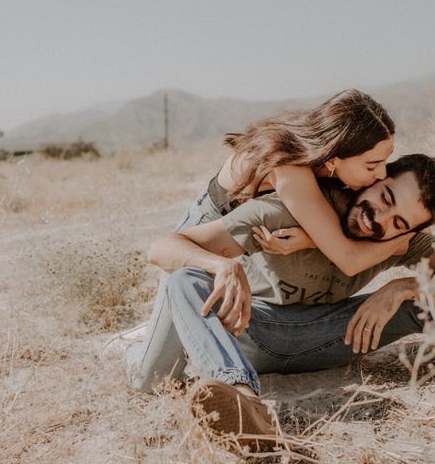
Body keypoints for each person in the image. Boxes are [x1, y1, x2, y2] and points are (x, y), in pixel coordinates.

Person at [146, 153, 435, 450]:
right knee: (185, 278)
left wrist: (403, 287)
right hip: (247, 329)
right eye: (383, 199)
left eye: (397, 222)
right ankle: (247, 407)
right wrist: (223, 267)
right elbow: (165, 247)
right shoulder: (285, 212)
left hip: (333, 334)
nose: (378, 218)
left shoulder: (400, 241)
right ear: (376, 180)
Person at [120, 89, 414, 392]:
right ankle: (134, 345)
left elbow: (329, 228)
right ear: (335, 156)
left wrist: (311, 240)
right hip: (206, 234)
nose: (381, 175)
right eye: (371, 165)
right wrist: (404, 238)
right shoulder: (288, 166)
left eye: (385, 162)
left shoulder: (323, 164)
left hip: (247, 239)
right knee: (151, 380)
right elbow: (348, 257)